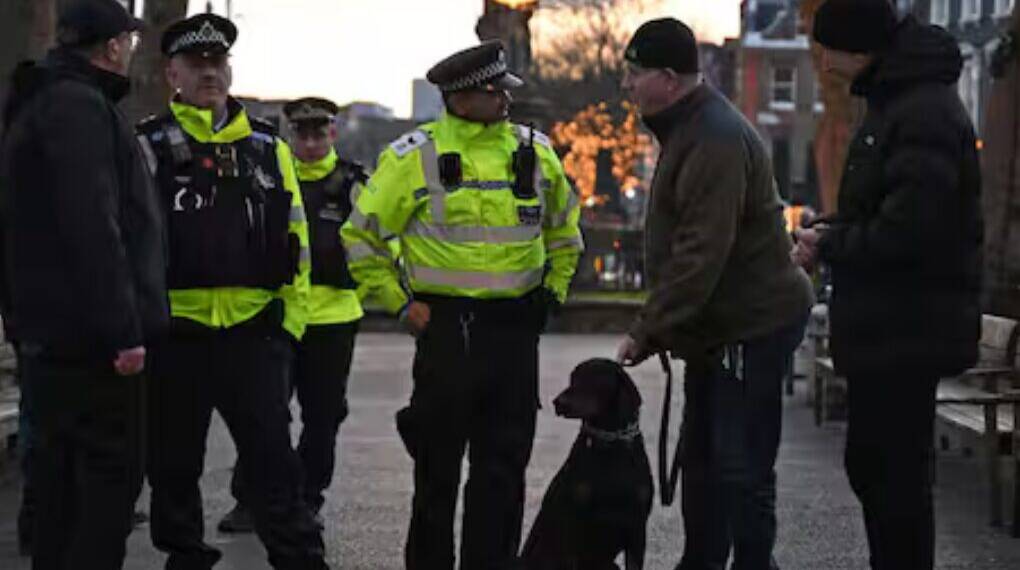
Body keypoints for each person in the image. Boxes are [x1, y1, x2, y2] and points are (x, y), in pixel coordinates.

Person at [341, 40, 583, 570]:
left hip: (513, 334)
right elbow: (361, 238)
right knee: (436, 473)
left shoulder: (535, 152)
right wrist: (399, 305)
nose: (505, 99)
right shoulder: (414, 156)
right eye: (494, 91)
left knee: (503, 473)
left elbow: (566, 233)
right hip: (445, 332)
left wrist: (554, 291)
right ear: (461, 97)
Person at [615, 18, 814, 570]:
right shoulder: (690, 127)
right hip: (722, 327)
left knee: (741, 465)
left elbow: (702, 253)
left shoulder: (715, 138)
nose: (626, 85)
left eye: (635, 74)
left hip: (751, 325)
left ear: (671, 79)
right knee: (703, 458)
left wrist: (646, 330)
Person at [136, 13, 328, 570]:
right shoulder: (145, 146)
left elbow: (298, 239)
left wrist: (290, 323)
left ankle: (299, 558)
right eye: (196, 65)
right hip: (178, 333)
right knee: (173, 464)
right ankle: (185, 556)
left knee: (274, 461)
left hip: (253, 332)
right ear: (172, 73)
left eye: (217, 63)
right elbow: (129, 242)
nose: (209, 73)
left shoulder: (269, 149)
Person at [794, 2, 983, 568]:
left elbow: (911, 233)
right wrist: (832, 230)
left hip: (906, 330)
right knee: (877, 470)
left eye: (826, 48)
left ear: (857, 46)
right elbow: (888, 209)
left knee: (892, 478)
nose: (822, 62)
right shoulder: (899, 102)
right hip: (892, 327)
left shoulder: (920, 112)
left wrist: (830, 245)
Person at [0, 1, 168, 568]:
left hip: (50, 335)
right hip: (93, 346)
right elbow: (93, 225)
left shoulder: (40, 102)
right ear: (114, 45)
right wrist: (123, 330)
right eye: (130, 42)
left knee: (56, 490)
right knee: (102, 492)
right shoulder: (80, 107)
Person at [219, 97, 366, 533]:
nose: (310, 143)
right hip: (277, 314)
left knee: (323, 417)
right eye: (301, 134)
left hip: (334, 317)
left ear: (333, 134)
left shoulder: (355, 183)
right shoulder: (268, 178)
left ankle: (307, 500)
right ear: (290, 135)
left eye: (319, 134)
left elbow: (379, 242)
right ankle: (250, 500)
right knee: (263, 413)